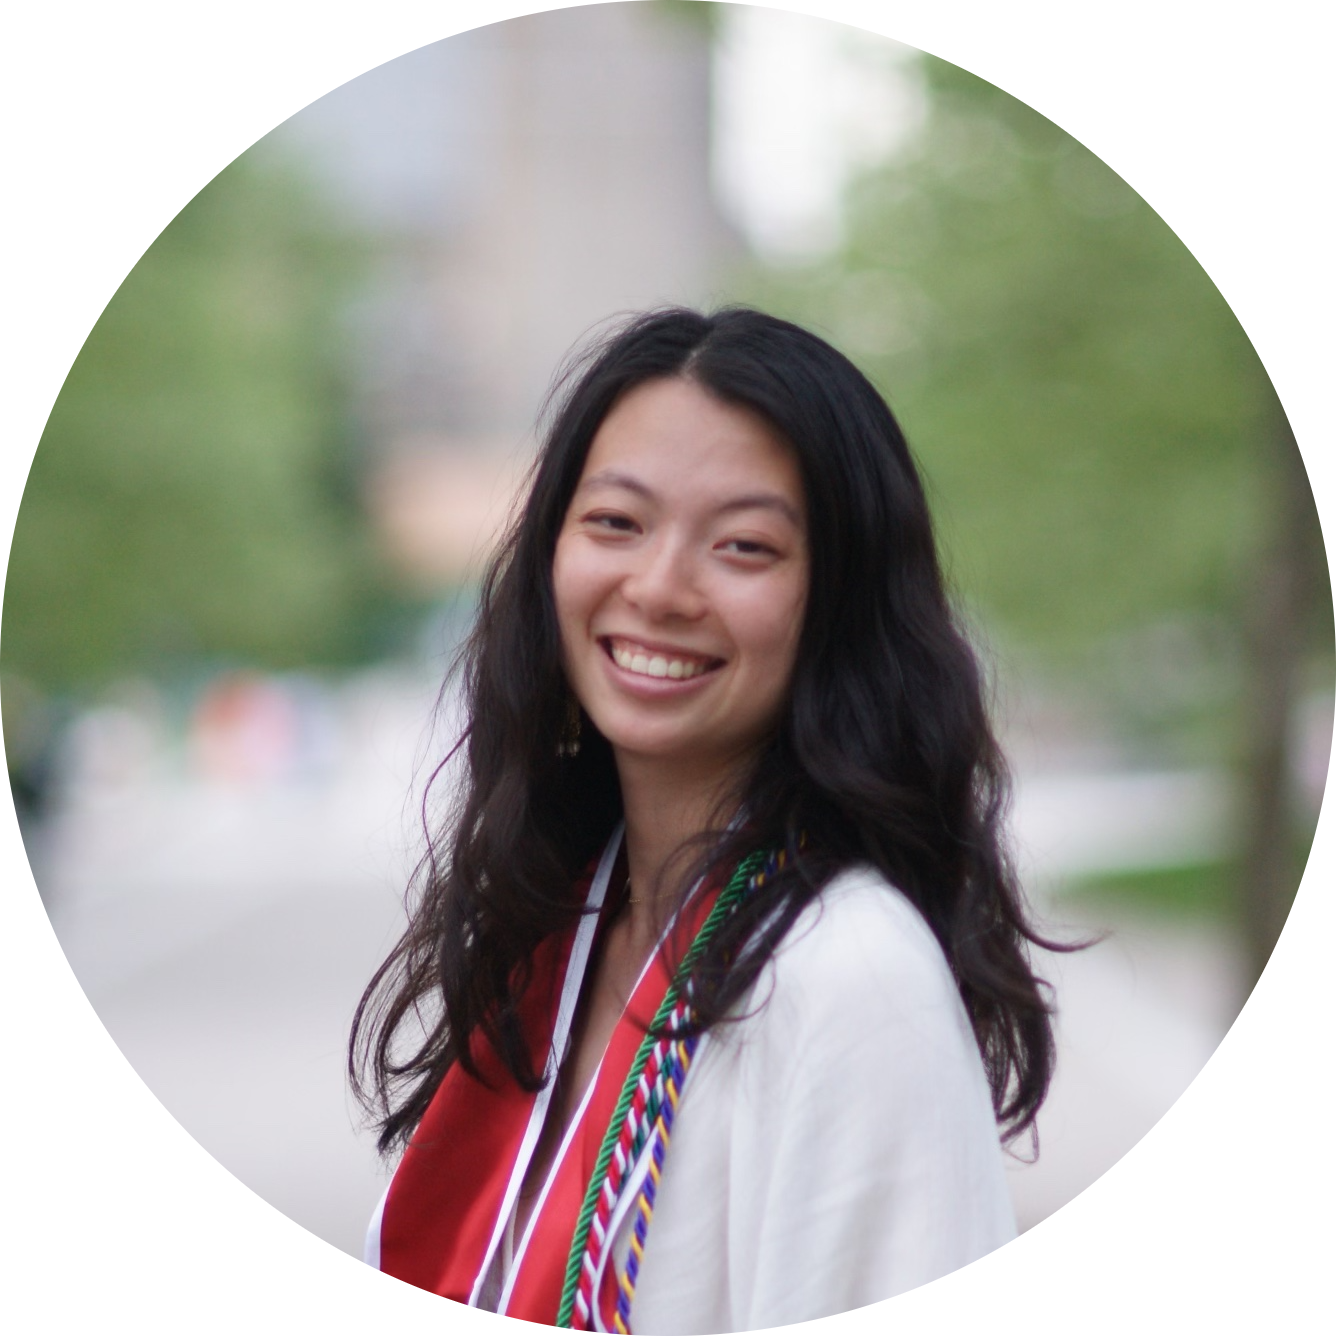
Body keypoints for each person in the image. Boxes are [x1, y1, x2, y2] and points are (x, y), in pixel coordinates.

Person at [351, 307, 1056, 1327]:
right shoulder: (561, 931)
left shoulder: (847, 973)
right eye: (616, 523)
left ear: (840, 601)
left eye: (744, 545)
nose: (659, 587)